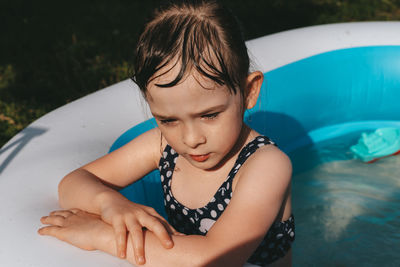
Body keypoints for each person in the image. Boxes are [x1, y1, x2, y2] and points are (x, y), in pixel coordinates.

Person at [38, 0, 295, 266]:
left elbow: (216, 258)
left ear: (249, 91)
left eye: (210, 115)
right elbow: (73, 182)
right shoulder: (162, 147)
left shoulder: (266, 165)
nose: (191, 139)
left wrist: (102, 235)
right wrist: (109, 204)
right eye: (169, 120)